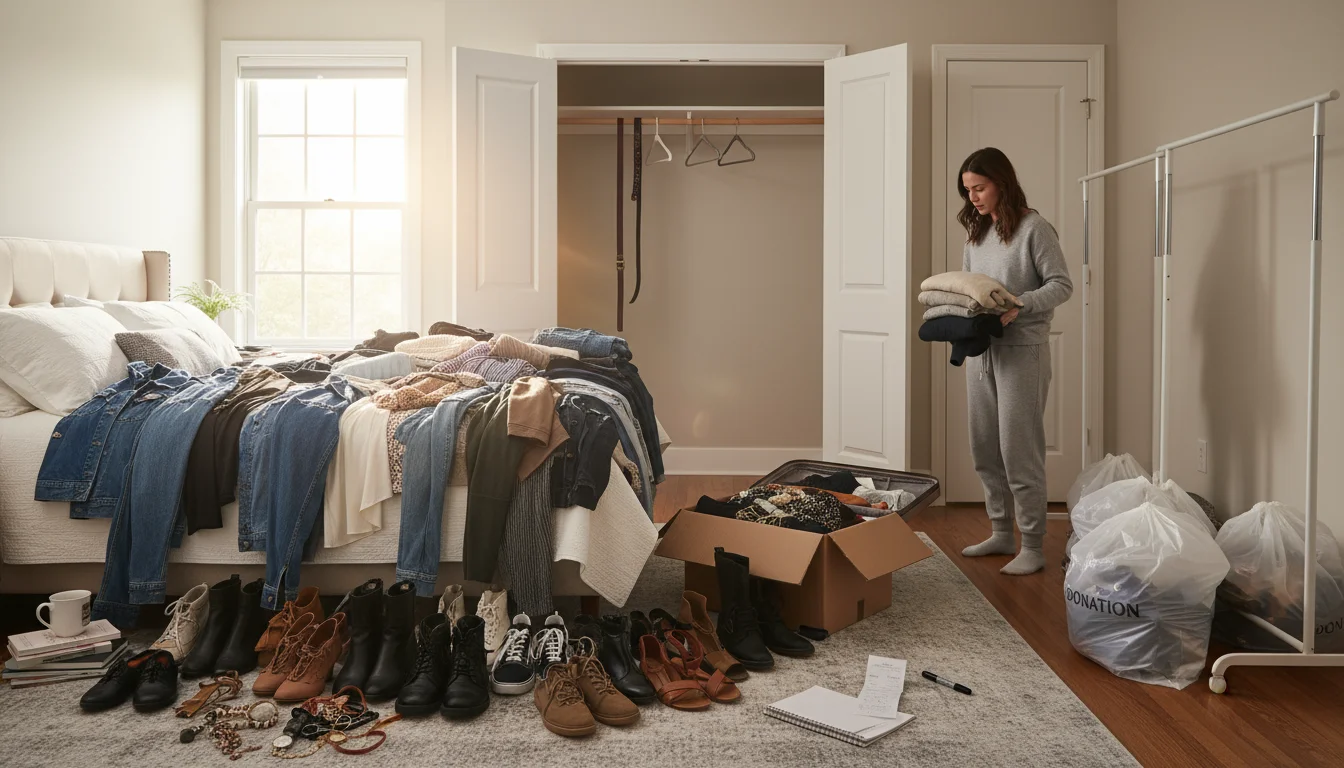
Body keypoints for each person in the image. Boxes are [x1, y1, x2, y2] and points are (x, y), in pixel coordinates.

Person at [955, 147, 1072, 576]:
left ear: (1001, 183)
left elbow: (1061, 285)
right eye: (967, 191)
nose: (973, 198)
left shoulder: (1034, 228)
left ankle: (1033, 545)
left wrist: (1020, 303)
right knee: (984, 447)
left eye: (979, 188)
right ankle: (1002, 531)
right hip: (981, 353)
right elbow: (969, 287)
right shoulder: (976, 235)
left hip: (1023, 352)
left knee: (1018, 450)